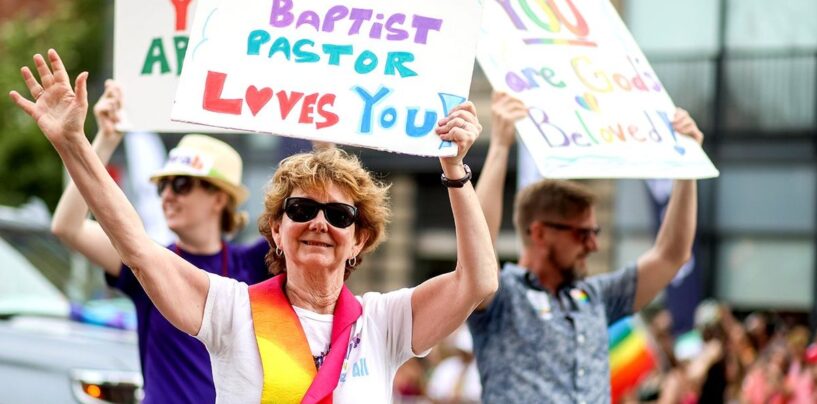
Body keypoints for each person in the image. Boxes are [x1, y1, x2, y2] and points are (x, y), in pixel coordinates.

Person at [10, 49, 497, 403]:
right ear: (276, 232)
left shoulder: (382, 321)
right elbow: (135, 246)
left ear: (359, 239)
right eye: (301, 210)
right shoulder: (231, 308)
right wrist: (75, 143)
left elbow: (477, 281)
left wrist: (455, 169)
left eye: (340, 215)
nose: (320, 224)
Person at [468, 91, 703, 403]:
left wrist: (687, 167)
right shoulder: (503, 295)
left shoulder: (596, 296)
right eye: (581, 234)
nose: (593, 244)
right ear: (540, 234)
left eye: (595, 231)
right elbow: (476, 249)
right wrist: (500, 146)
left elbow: (672, 254)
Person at [48, 79, 270, 402]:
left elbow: (321, 227)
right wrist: (105, 141)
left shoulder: (251, 265)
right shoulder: (149, 262)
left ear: (219, 198)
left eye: (180, 184)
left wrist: (327, 147)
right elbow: (68, 227)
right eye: (162, 186)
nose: (166, 196)